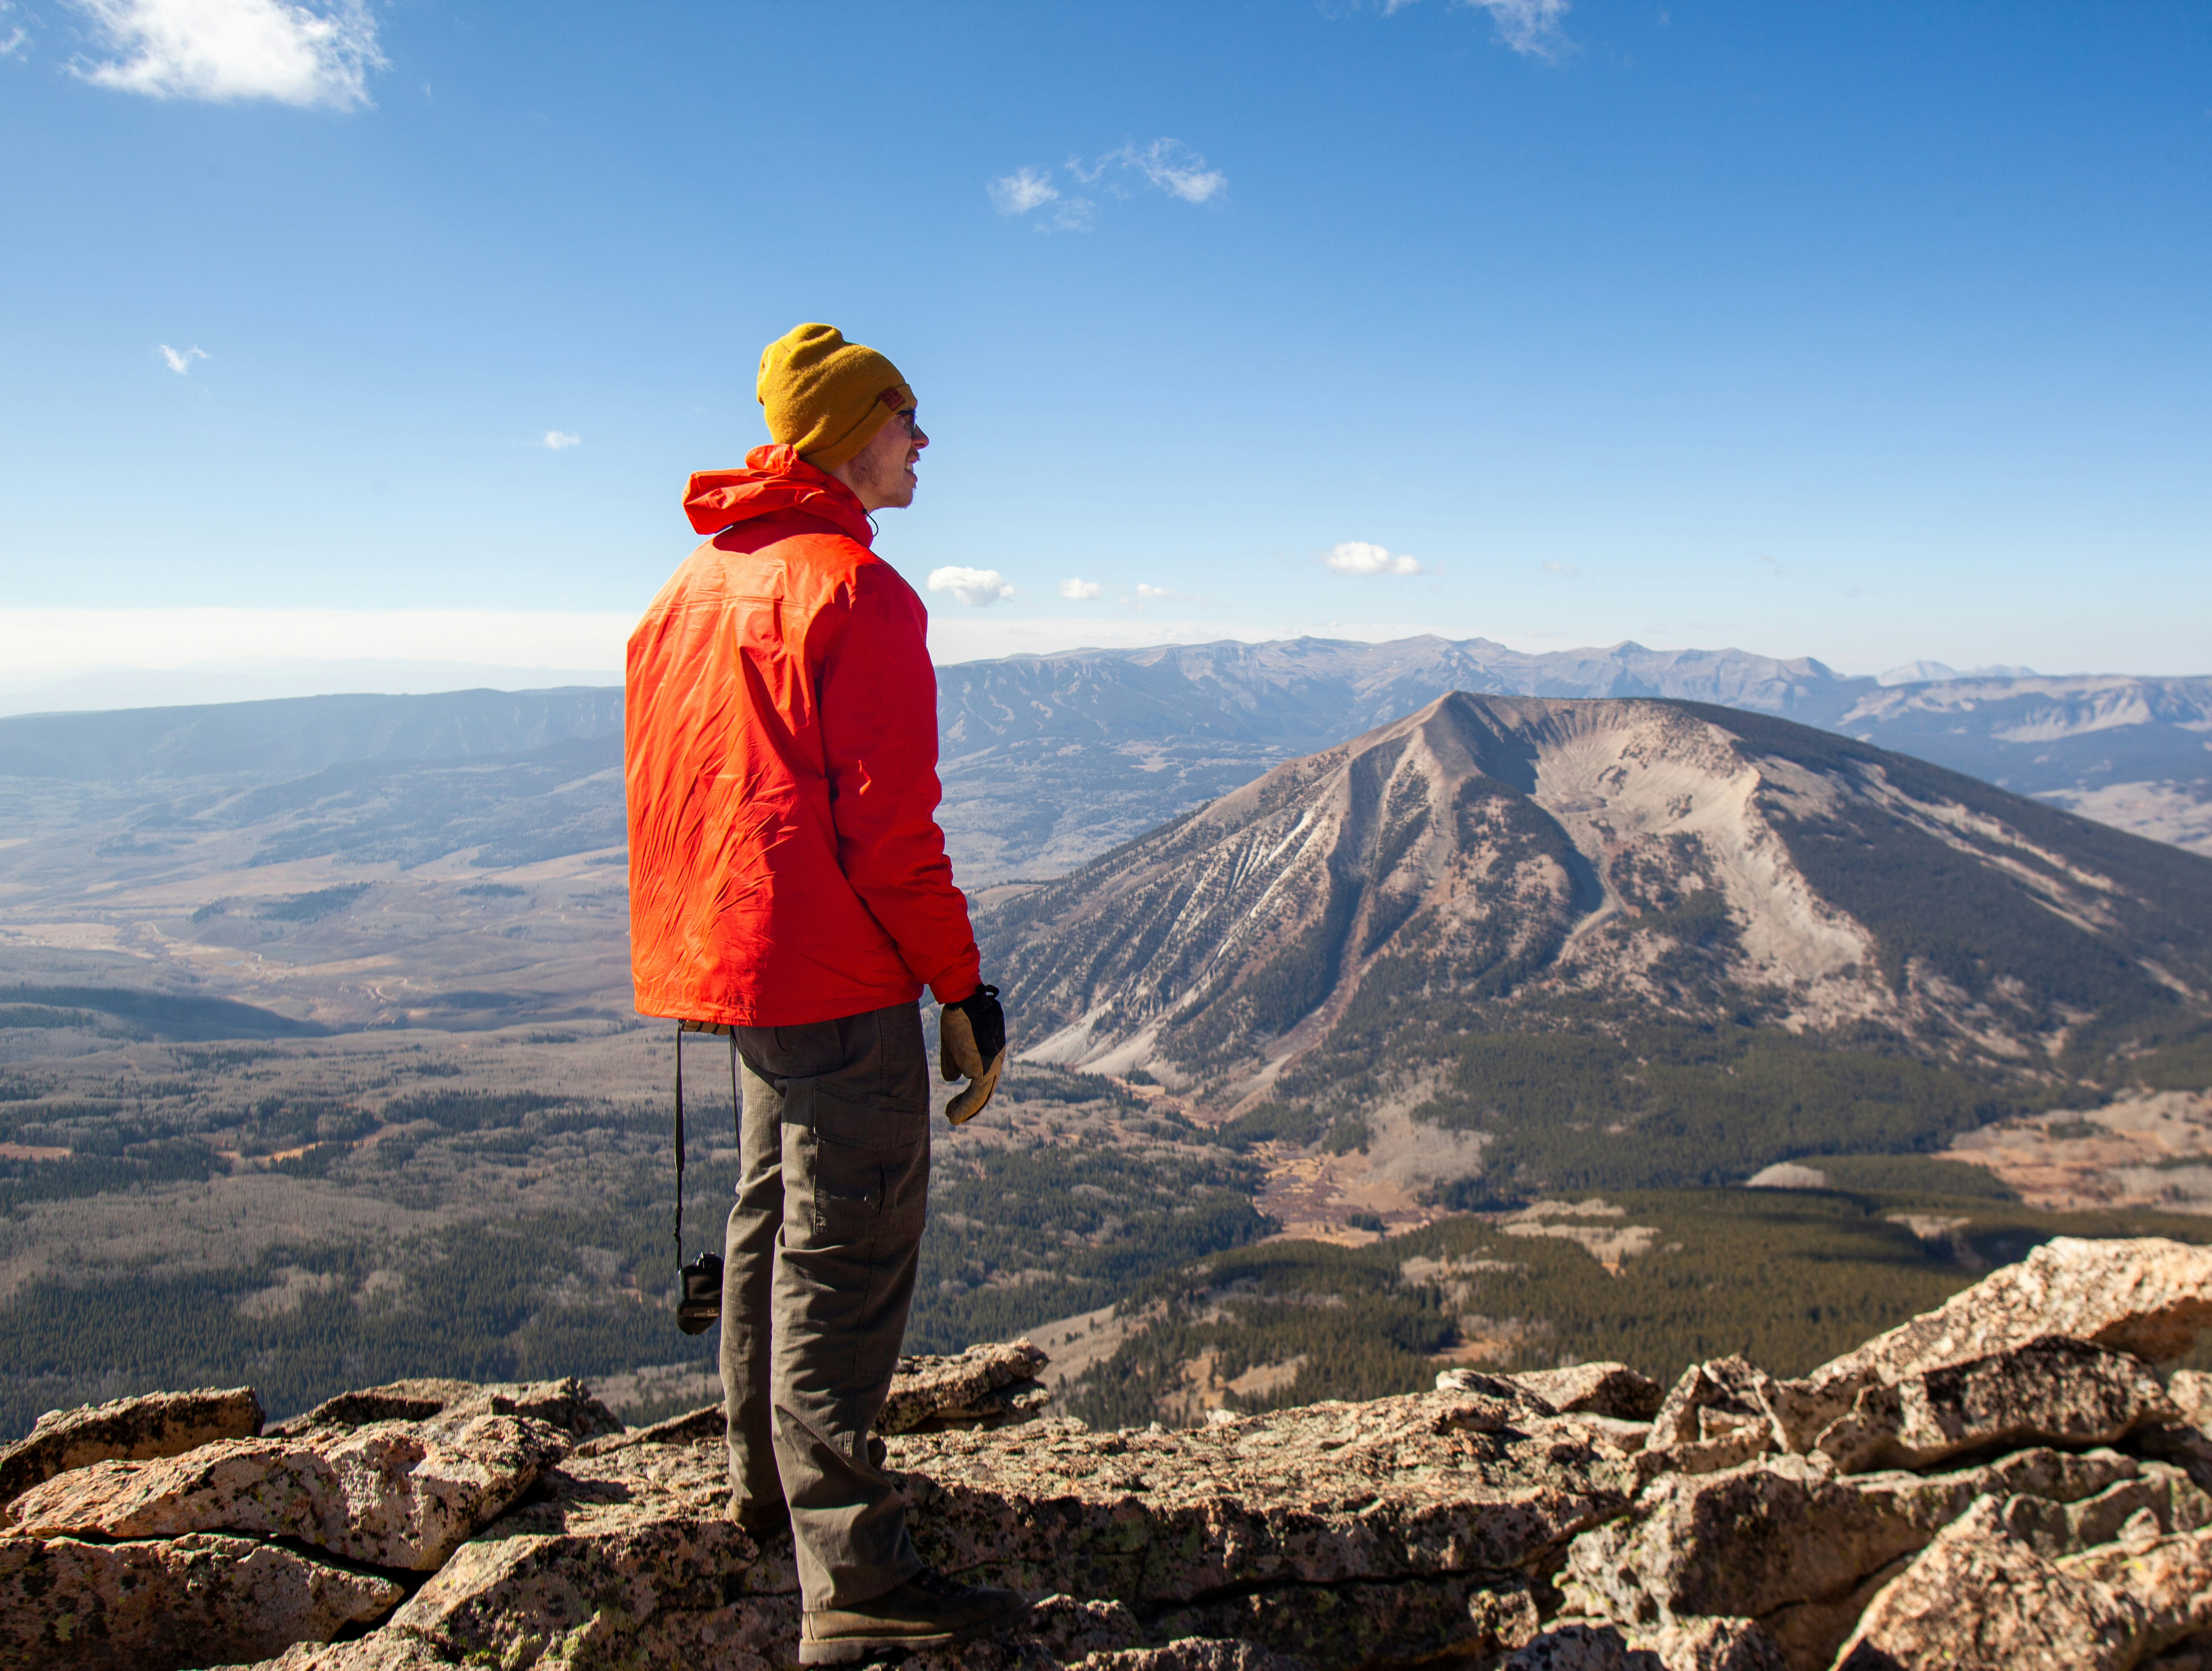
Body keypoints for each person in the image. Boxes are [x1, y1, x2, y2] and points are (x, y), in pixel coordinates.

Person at [625, 323, 1017, 1664]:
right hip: (836, 973)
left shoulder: (693, 586)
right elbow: (890, 831)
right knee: (845, 1253)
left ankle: (761, 1499)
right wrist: (958, 987)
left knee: (767, 1223)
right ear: (847, 433)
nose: (923, 441)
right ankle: (854, 1582)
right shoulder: (853, 590)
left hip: (733, 968)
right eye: (906, 417)